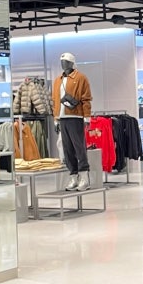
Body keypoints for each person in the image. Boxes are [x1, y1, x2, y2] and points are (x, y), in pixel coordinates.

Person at [52, 52, 92, 191]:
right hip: (62, 118)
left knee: (79, 147)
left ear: (72, 63)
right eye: (62, 62)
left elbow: (86, 99)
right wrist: (56, 118)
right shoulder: (57, 80)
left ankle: (84, 177)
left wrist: (87, 117)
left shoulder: (80, 78)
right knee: (67, 149)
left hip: (76, 116)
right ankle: (73, 176)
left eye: (66, 62)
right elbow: (55, 100)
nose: (63, 64)